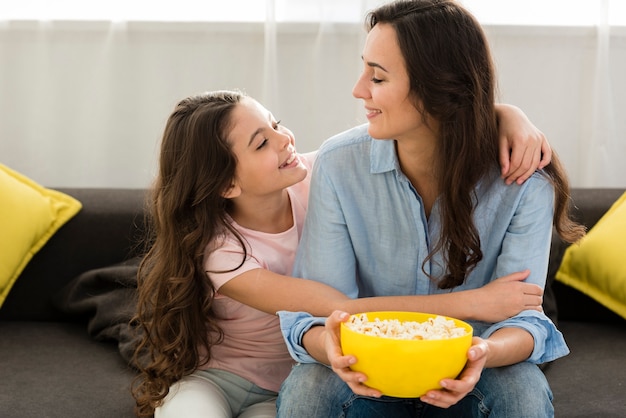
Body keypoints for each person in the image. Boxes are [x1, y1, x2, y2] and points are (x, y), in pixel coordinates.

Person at [130, 87, 552, 418]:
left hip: (283, 382)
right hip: (220, 378)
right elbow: (341, 307)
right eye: (261, 143)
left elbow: (425, 125)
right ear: (227, 186)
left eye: (276, 124)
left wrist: (507, 114)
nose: (284, 139)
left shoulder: (316, 174)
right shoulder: (221, 253)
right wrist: (471, 304)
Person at [276, 1, 586, 417]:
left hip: (472, 369)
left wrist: (482, 352)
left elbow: (525, 322)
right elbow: (314, 312)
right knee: (308, 390)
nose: (358, 90)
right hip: (366, 368)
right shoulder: (339, 163)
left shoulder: (524, 179)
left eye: (378, 77)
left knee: (522, 393)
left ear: (438, 88)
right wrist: (329, 347)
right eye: (364, 69)